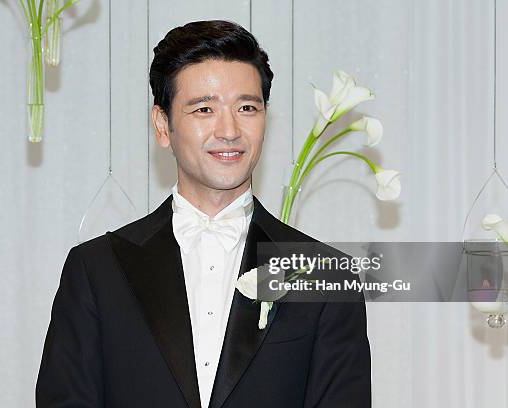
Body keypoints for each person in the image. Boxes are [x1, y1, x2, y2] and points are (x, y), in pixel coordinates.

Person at [36, 20, 371, 408]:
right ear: (163, 126)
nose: (229, 130)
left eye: (247, 107)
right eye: (204, 109)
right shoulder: (96, 269)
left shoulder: (325, 274)